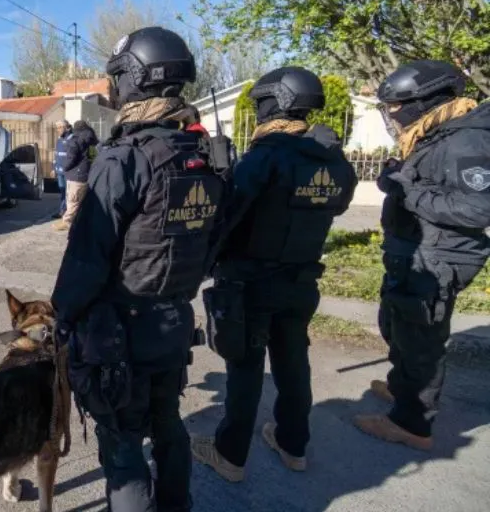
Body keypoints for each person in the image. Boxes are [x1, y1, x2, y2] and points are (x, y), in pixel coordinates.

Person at [51, 26, 231, 511]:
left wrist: (62, 316)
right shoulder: (204, 155)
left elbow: (87, 255)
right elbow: (216, 239)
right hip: (173, 321)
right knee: (168, 423)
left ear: (133, 79)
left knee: (122, 437)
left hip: (121, 330)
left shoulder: (125, 157)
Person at [189, 67, 358, 481]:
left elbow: (227, 216)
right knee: (293, 363)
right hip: (301, 280)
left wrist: (222, 178)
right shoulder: (333, 160)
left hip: (251, 282)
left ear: (274, 102)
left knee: (245, 369)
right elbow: (337, 205)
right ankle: (293, 445)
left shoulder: (265, 156)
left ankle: (230, 455)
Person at [354, 60, 490, 450]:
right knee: (398, 326)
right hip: (416, 251)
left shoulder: (467, 140)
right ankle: (403, 390)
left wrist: (408, 192)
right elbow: (430, 180)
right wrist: (398, 176)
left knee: (420, 341)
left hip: (439, 256)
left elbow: (477, 209)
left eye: (397, 106)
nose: (393, 114)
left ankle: (412, 423)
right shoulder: (436, 133)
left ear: (426, 101)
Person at [55, 120, 99, 230]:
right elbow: (93, 158)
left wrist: (64, 167)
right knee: (82, 201)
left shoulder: (76, 140)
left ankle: (67, 222)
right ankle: (80, 222)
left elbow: (71, 158)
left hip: (75, 175)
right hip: (86, 174)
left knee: (72, 200)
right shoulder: (92, 141)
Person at [52, 120, 73, 220]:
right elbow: (56, 155)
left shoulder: (72, 139)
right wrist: (54, 168)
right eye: (57, 128)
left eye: (60, 127)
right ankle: (62, 211)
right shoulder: (59, 140)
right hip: (60, 171)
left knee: (69, 194)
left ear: (66, 127)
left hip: (68, 172)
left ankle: (68, 213)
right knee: (62, 192)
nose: (58, 130)